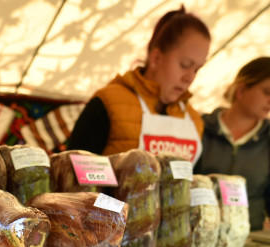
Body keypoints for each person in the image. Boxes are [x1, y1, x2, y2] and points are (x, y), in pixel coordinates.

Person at [66, 6, 210, 160]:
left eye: (197, 69)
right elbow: (71, 171)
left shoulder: (195, 122)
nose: (189, 78)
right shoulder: (109, 103)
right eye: (185, 65)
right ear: (156, 58)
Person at [195, 56, 270, 230]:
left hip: (247, 243)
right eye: (268, 92)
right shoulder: (197, 129)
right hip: (195, 239)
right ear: (241, 90)